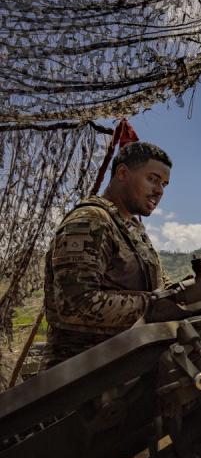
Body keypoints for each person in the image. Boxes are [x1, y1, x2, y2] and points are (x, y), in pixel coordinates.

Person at [38, 141, 172, 370]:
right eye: (152, 179)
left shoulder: (132, 228)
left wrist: (185, 292)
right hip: (79, 377)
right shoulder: (90, 220)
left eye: (164, 184)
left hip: (120, 370)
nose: (159, 191)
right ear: (122, 173)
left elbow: (159, 284)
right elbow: (75, 305)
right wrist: (156, 305)